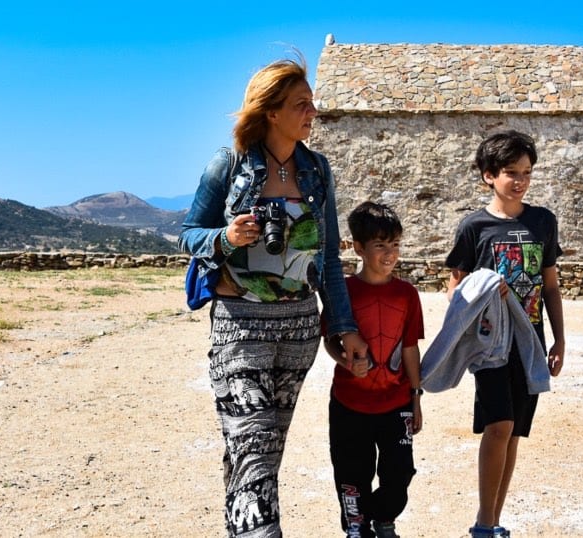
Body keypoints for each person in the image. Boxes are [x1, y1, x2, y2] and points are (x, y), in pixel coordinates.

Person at [178, 55, 368, 538]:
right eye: (302, 105)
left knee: (259, 454)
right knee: (255, 451)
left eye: (312, 103)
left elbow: (327, 259)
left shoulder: (317, 171)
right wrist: (225, 238)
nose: (313, 113)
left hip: (299, 329)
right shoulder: (228, 164)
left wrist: (342, 326)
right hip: (240, 327)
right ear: (271, 112)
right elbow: (188, 235)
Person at [443, 130, 565, 538]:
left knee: (514, 433)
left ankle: (493, 520)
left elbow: (550, 285)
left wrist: (559, 340)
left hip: (529, 340)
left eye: (526, 172)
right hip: (491, 344)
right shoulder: (474, 227)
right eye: (511, 172)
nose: (521, 180)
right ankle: (482, 522)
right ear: (488, 176)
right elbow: (455, 284)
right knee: (499, 425)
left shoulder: (542, 221)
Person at [322, 201, 424, 538]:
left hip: (396, 404)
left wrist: (416, 396)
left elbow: (410, 347)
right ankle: (356, 527)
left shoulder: (407, 295)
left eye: (395, 244)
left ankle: (382, 518)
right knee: (352, 475)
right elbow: (330, 340)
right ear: (359, 248)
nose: (390, 253)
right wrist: (345, 361)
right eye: (380, 245)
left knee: (401, 474)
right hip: (349, 404)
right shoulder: (343, 293)